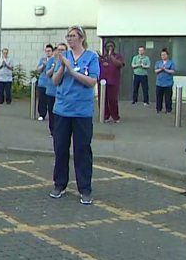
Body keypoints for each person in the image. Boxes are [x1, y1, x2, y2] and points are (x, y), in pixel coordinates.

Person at [50, 26, 100, 205]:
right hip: (62, 110)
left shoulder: (91, 57)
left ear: (81, 38)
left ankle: (85, 189)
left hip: (82, 112)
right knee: (60, 148)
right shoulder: (65, 56)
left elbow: (92, 81)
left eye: (73, 36)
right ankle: (59, 184)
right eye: (68, 36)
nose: (69, 39)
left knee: (82, 150)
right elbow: (55, 81)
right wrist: (63, 67)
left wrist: (73, 71)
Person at [100, 41, 124, 123]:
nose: (109, 47)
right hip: (103, 81)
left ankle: (115, 117)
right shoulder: (103, 57)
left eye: (111, 46)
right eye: (108, 46)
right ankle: (105, 116)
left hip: (113, 81)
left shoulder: (118, 56)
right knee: (103, 99)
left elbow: (119, 64)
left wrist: (111, 57)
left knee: (113, 99)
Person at [35, 43, 56, 129]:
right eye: (46, 51)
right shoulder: (42, 60)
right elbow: (38, 70)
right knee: (42, 99)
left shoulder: (54, 60)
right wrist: (43, 65)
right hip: (42, 82)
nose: (48, 53)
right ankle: (42, 114)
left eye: (49, 51)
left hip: (50, 84)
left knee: (50, 101)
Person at [154, 48, 176, 114]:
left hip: (168, 83)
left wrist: (165, 69)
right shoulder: (158, 62)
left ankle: (168, 109)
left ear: (167, 55)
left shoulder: (171, 62)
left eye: (164, 55)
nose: (163, 56)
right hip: (159, 83)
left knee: (168, 98)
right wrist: (161, 69)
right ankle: (158, 109)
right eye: (162, 55)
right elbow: (155, 71)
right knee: (159, 97)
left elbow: (172, 71)